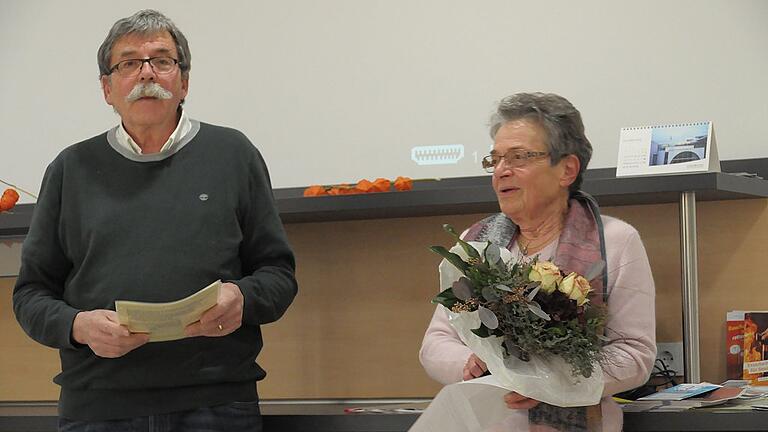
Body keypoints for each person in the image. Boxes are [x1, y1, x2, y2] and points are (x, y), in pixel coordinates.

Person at [13, 10, 297, 431]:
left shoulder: (233, 154)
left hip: (217, 403)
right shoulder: (69, 169)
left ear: (183, 81)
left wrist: (242, 299)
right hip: (98, 406)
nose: (147, 73)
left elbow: (278, 274)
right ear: (107, 89)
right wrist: (78, 326)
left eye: (162, 61)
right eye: (129, 63)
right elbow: (31, 295)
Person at [419, 92, 656, 431]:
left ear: (567, 169)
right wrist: (469, 364)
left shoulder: (616, 241)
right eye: (495, 159)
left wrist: (551, 382)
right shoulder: (477, 242)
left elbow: (635, 354)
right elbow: (436, 342)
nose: (501, 171)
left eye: (518, 157)